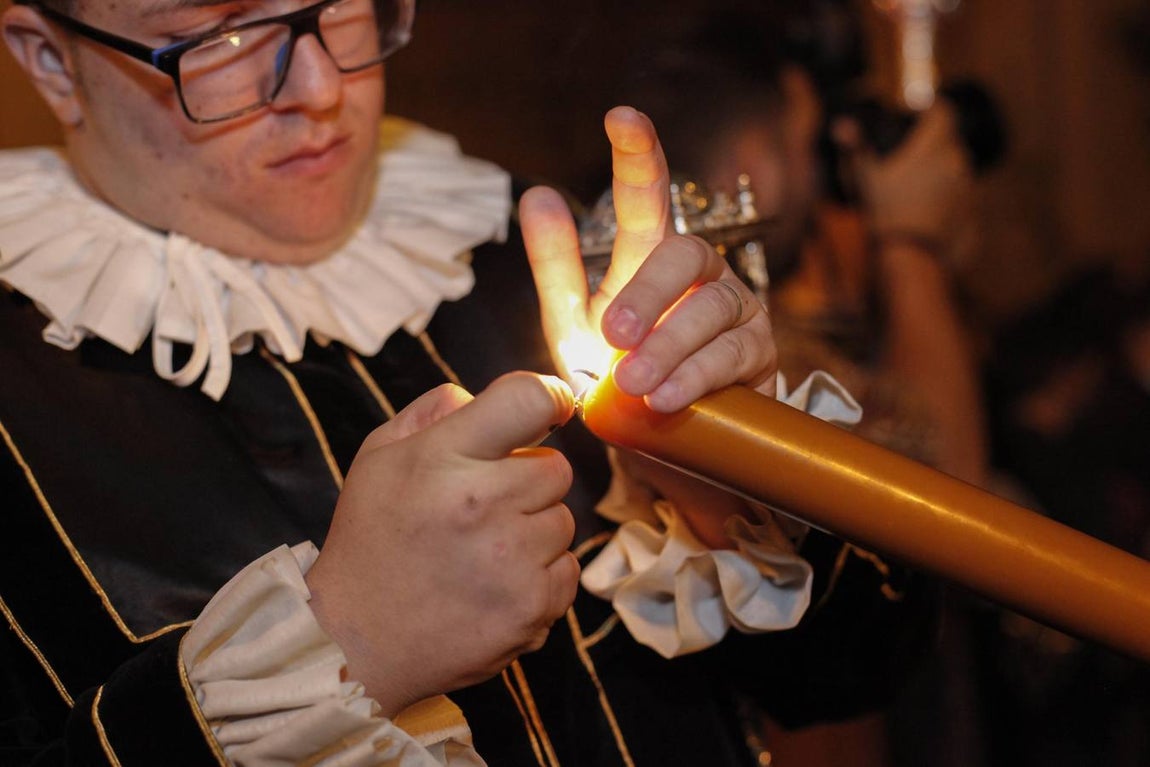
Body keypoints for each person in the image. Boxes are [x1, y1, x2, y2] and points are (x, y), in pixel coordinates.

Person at [0, 1, 896, 765]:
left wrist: (737, 487)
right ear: (51, 59)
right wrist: (348, 646)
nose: (320, 90)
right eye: (221, 37)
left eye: (342, 6)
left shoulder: (522, 244)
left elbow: (855, 672)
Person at [611, 4, 990, 765]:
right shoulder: (726, 349)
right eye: (811, 134)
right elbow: (952, 516)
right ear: (760, 158)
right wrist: (909, 244)